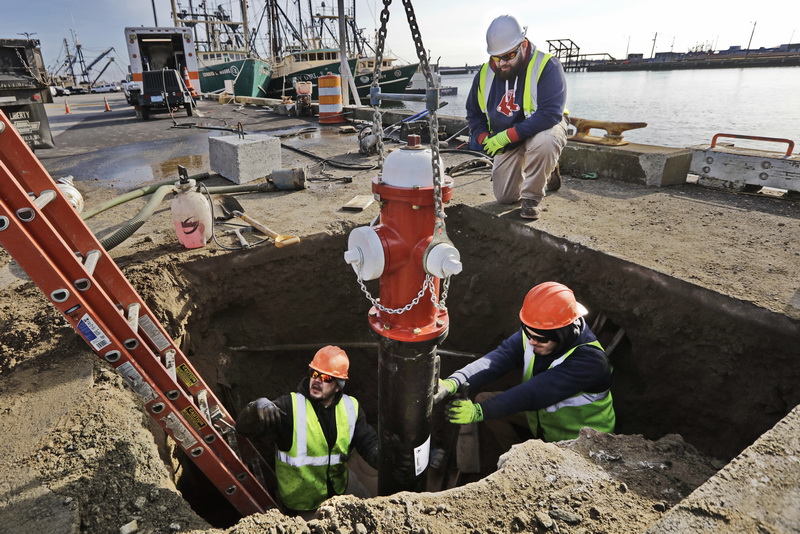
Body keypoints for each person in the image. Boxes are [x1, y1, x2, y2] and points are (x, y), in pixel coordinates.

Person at [435, 282, 615, 454]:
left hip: (579, 441)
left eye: (540, 338)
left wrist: (478, 412)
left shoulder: (590, 362)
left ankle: (527, 465)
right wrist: (454, 381)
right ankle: (514, 459)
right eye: (528, 333)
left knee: (486, 406)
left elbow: (534, 393)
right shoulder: (538, 332)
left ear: (562, 334)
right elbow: (499, 358)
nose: (531, 341)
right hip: (543, 422)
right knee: (484, 399)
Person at [236, 346, 379, 515]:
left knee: (372, 512)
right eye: (314, 374)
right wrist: (255, 409)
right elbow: (243, 429)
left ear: (338, 386)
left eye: (325, 377)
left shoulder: (350, 407)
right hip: (304, 502)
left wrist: (386, 458)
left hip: (341, 486)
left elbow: (368, 442)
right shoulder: (290, 407)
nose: (317, 380)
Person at [466, 15, 569, 220]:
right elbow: (474, 114)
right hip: (508, 137)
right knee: (505, 197)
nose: (503, 63)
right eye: (497, 57)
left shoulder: (547, 65)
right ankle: (544, 175)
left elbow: (550, 114)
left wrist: (507, 136)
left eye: (509, 55)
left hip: (541, 130)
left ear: (523, 45)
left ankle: (532, 198)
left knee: (545, 142)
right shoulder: (485, 73)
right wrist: (484, 138)